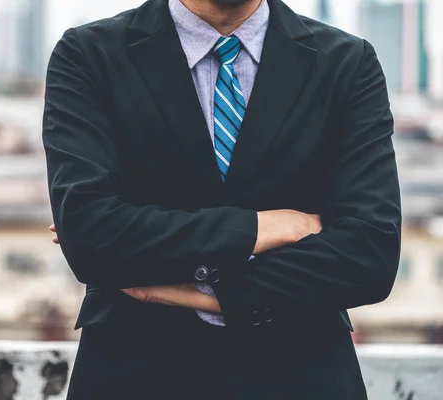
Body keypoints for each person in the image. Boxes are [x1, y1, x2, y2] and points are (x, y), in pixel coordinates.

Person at [42, 0, 402, 398]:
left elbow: (369, 256)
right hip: (135, 374)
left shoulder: (346, 63)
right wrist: (261, 228)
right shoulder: (89, 55)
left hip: (301, 375)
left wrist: (213, 297)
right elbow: (93, 237)